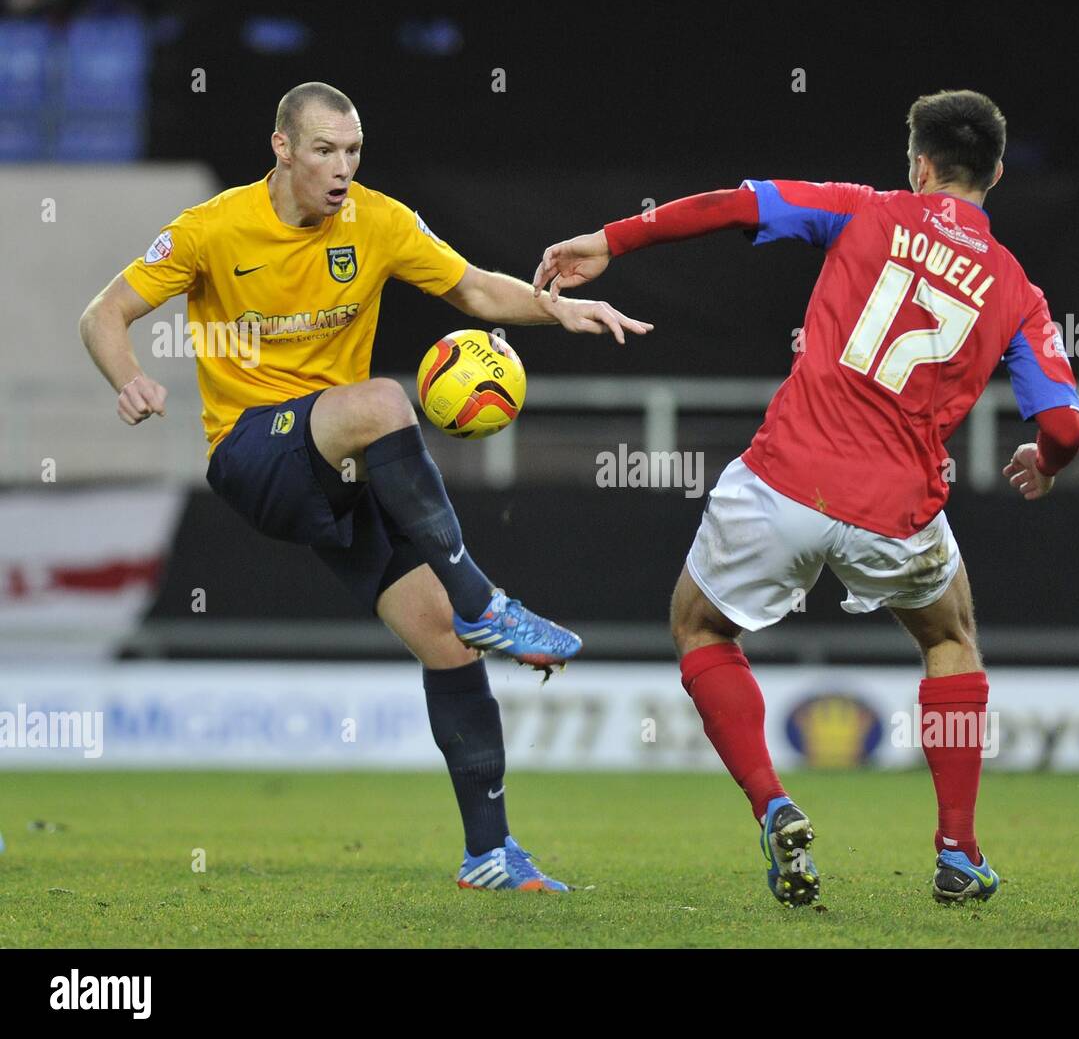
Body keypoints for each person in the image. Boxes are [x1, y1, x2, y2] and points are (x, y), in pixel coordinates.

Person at [79, 81, 652, 893]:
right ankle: (486, 599)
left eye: (352, 151)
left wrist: (558, 311)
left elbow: (476, 288)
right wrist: (129, 377)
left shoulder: (379, 221)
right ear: (282, 147)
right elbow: (102, 314)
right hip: (251, 455)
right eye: (324, 151)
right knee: (386, 399)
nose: (342, 168)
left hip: (336, 468)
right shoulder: (211, 228)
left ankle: (489, 850)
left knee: (445, 643)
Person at [533, 90, 1079, 906]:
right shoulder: (1017, 290)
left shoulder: (862, 210)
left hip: (783, 481)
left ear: (920, 164)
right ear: (996, 173)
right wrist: (1043, 461)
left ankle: (773, 800)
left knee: (698, 625)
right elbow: (1067, 425)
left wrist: (613, 240)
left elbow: (732, 206)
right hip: (898, 511)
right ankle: (959, 850)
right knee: (951, 638)